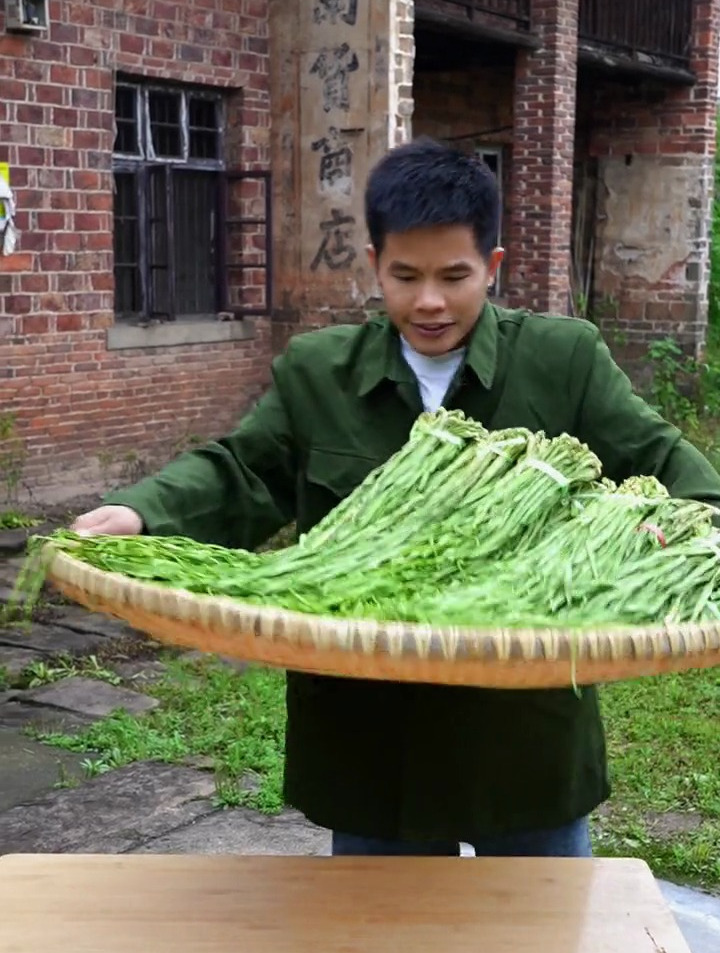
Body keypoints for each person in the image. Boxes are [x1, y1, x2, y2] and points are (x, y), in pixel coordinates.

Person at [73, 137, 720, 858]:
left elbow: (664, 461)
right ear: (375, 264)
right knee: (380, 932)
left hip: (523, 736)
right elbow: (242, 470)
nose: (430, 301)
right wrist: (142, 510)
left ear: (493, 268)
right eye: (405, 275)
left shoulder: (561, 360)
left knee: (542, 928)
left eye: (455, 275)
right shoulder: (319, 373)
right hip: (375, 743)